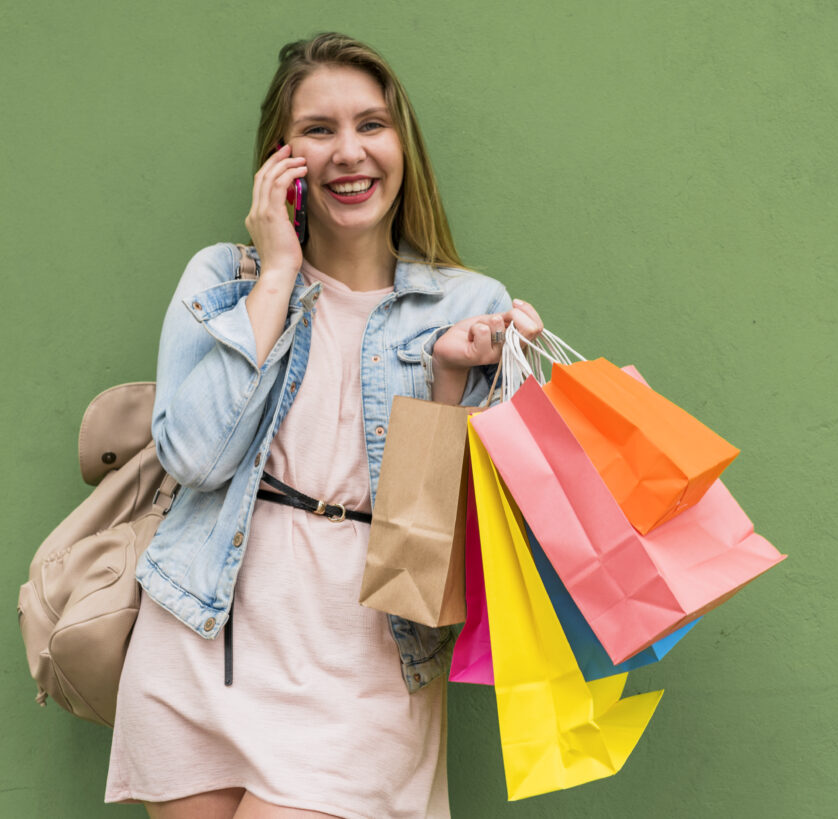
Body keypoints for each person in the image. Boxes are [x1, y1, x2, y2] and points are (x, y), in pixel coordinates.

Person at [105, 32, 542, 819]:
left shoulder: (467, 304)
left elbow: (444, 533)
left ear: (402, 143)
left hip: (366, 668)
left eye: (371, 125)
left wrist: (451, 375)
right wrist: (276, 273)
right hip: (203, 650)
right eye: (319, 130)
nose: (350, 152)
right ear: (281, 156)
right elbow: (196, 457)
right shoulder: (220, 280)